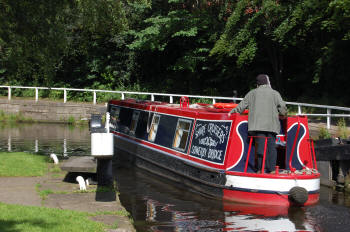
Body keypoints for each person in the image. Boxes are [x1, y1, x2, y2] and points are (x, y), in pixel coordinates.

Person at [228, 74, 287, 173]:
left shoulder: (252, 93)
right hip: (272, 126)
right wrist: (283, 114)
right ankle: (272, 169)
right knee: (272, 147)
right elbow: (282, 108)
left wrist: (230, 113)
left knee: (260, 147)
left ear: (257, 84)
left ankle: (261, 169)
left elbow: (241, 107)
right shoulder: (275, 93)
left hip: (257, 126)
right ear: (267, 83)